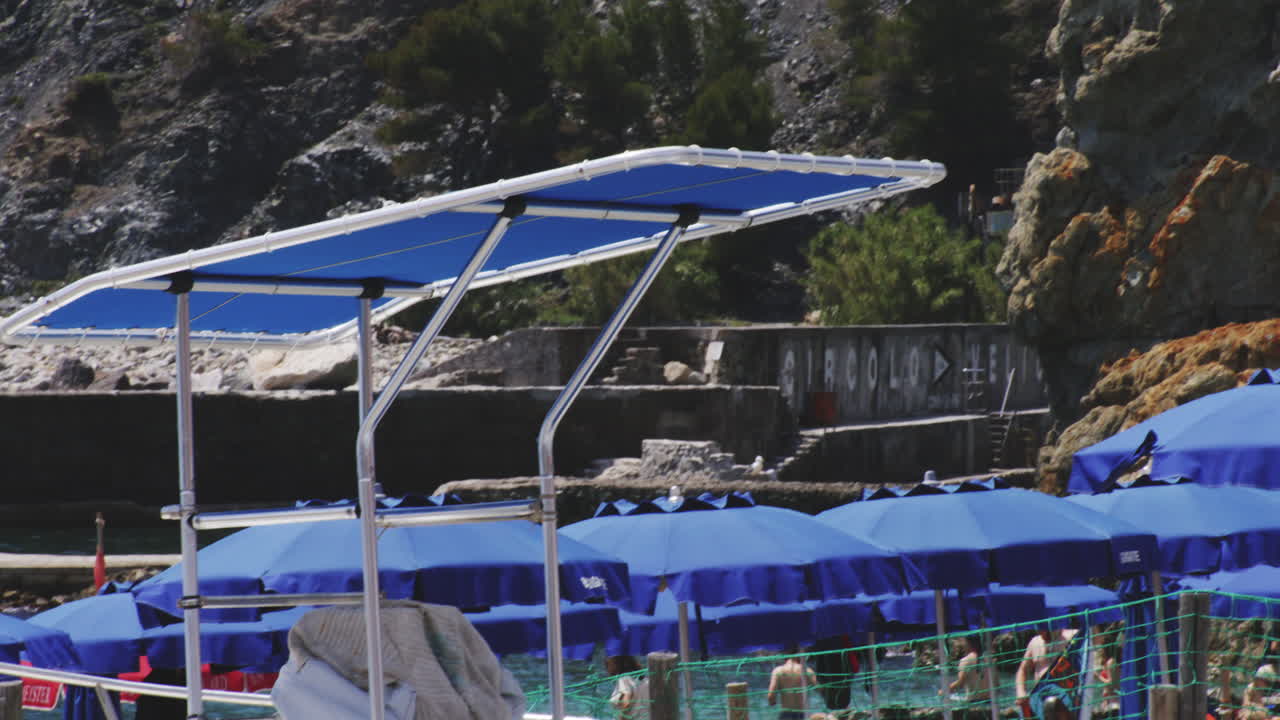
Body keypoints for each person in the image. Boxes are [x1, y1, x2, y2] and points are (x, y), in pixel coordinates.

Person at [1016, 628, 1081, 720]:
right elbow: (1022, 670)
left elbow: (1095, 641)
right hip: (1040, 695)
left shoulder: (1072, 636)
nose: (1039, 631)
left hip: (1064, 696)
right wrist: (1020, 691)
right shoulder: (1034, 642)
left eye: (1042, 627)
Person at [768, 645, 818, 720]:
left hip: (785, 715)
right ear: (799, 654)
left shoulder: (778, 671)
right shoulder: (807, 670)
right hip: (803, 714)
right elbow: (820, 689)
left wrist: (772, 702)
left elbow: (771, 696)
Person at [945, 635, 990, 706]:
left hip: (973, 703)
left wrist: (944, 691)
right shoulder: (990, 660)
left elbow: (960, 684)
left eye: (963, 641)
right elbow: (997, 685)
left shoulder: (965, 661)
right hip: (989, 702)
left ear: (968, 643)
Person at [606, 655, 649, 720]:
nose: (607, 669)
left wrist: (620, 718)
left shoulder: (624, 679)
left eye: (607, 665)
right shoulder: (645, 680)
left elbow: (626, 702)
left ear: (616, 664)